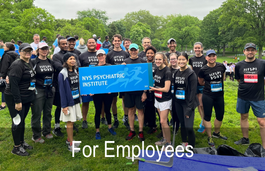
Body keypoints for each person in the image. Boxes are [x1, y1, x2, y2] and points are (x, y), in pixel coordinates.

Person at [5, 43, 36, 156]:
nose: (27, 52)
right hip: (15, 97)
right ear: (20, 52)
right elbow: (13, 85)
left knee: (22, 120)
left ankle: (21, 142)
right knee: (17, 121)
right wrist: (18, 101)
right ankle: (16, 147)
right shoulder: (17, 64)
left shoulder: (29, 62)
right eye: (25, 51)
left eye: (29, 50)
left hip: (26, 96)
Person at [234, 43, 265, 149]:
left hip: (258, 97)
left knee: (262, 122)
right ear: (244, 52)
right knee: (243, 116)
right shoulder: (239, 65)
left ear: (256, 51)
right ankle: (245, 139)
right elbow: (239, 79)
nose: (250, 52)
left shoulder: (262, 63)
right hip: (243, 96)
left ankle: (264, 147)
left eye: (252, 50)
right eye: (248, 50)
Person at [198, 50, 227, 146]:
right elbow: (201, 82)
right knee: (207, 116)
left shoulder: (221, 66)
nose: (211, 58)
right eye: (209, 56)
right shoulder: (203, 70)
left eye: (213, 56)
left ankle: (216, 133)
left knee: (220, 115)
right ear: (206, 58)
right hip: (208, 95)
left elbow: (223, 77)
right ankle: (210, 136)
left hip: (219, 95)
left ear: (216, 57)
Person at [172, 52, 198, 148]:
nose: (181, 61)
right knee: (182, 123)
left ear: (187, 60)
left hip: (188, 103)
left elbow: (192, 92)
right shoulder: (176, 73)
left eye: (183, 59)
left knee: (189, 127)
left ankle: (192, 147)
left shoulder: (191, 74)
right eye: (179, 59)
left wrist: (189, 108)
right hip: (178, 102)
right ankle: (184, 142)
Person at [31, 42, 55, 143]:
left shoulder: (50, 61)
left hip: (49, 90)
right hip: (39, 89)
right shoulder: (33, 62)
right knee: (37, 113)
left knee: (48, 112)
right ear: (38, 50)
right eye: (42, 49)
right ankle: (36, 135)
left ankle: (47, 131)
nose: (44, 51)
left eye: (46, 49)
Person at [90, 49, 117, 139]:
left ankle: (110, 127)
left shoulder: (110, 66)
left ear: (105, 56)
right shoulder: (93, 68)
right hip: (97, 93)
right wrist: (91, 91)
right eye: (99, 55)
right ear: (97, 57)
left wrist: (112, 89)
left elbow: (114, 79)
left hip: (108, 93)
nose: (101, 57)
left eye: (102, 55)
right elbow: (91, 80)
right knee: (98, 111)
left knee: (107, 110)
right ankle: (97, 131)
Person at [58, 53, 82, 152]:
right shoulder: (62, 73)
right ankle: (71, 144)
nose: (73, 60)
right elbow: (62, 90)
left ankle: (69, 140)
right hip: (68, 102)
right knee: (70, 123)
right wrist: (64, 106)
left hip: (75, 100)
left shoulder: (75, 71)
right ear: (66, 61)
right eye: (70, 59)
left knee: (72, 121)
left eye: (74, 59)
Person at [106, 34, 130, 129]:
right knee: (113, 100)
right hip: (113, 80)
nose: (117, 42)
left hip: (124, 80)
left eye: (118, 41)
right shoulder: (109, 54)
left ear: (121, 42)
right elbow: (107, 67)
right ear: (113, 42)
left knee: (125, 99)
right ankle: (115, 119)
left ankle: (126, 118)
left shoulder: (125, 53)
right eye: (115, 40)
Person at [124, 43, 147, 141]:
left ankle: (141, 131)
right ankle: (132, 130)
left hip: (140, 91)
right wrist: (121, 68)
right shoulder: (125, 62)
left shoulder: (142, 61)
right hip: (129, 91)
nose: (133, 52)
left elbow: (146, 77)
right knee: (130, 110)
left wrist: (145, 92)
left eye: (135, 50)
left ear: (138, 50)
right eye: (131, 50)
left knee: (140, 110)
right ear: (129, 51)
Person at [150, 52, 172, 149]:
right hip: (157, 98)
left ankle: (169, 143)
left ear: (164, 60)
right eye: (156, 59)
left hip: (165, 100)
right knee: (161, 120)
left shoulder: (167, 71)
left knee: (163, 121)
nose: (157, 61)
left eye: (159, 59)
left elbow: (166, 89)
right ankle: (164, 138)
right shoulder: (156, 69)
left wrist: (154, 89)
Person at [189, 42, 207, 133]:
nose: (197, 50)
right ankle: (203, 121)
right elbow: (192, 70)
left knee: (201, 104)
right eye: (195, 48)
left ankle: (204, 123)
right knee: (197, 105)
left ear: (202, 48)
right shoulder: (191, 59)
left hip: (202, 84)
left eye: (199, 48)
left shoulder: (205, 58)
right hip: (194, 84)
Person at [79, 38, 97, 129]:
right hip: (87, 83)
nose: (91, 44)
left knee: (100, 102)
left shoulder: (100, 54)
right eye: (89, 43)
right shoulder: (82, 55)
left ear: (96, 43)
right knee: (85, 102)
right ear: (87, 44)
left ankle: (102, 118)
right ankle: (84, 120)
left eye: (93, 42)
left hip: (99, 82)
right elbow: (79, 69)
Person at [52, 36, 68, 137]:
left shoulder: (72, 54)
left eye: (66, 43)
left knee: (70, 104)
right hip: (59, 84)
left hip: (71, 84)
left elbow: (78, 64)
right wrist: (71, 65)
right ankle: (57, 126)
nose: (65, 45)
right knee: (59, 106)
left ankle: (69, 124)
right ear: (59, 45)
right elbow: (59, 67)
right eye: (63, 44)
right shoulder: (56, 56)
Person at [0, 42, 19, 110]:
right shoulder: (16, 54)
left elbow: (4, 66)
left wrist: (2, 75)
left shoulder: (6, 55)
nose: (3, 47)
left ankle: (3, 104)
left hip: (7, 75)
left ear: (8, 47)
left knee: (4, 89)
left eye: (4, 46)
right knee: (13, 88)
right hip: (14, 74)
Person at [144, 46, 157, 134]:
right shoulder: (143, 64)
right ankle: (148, 123)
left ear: (154, 54)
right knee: (147, 107)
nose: (150, 55)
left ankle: (154, 126)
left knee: (154, 108)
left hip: (155, 90)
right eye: (148, 53)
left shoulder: (156, 64)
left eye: (151, 53)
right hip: (146, 89)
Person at [168, 53, 180, 132]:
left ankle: (178, 124)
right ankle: (174, 122)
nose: (173, 60)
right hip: (169, 92)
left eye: (174, 58)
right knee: (171, 109)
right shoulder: (168, 69)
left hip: (179, 93)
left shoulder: (181, 69)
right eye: (171, 59)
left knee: (178, 110)